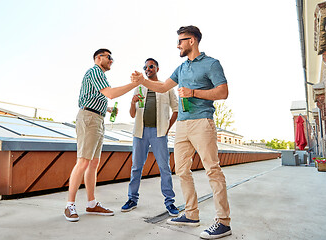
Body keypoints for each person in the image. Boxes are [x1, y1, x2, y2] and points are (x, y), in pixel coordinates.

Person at [131, 26, 232, 239]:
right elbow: (162, 87)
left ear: (192, 41)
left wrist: (193, 92)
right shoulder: (181, 67)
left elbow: (223, 92)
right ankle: (191, 214)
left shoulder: (211, 64)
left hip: (202, 122)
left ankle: (223, 222)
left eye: (181, 40)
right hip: (183, 126)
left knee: (212, 170)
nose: (178, 45)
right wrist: (142, 81)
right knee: (182, 171)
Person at [64, 48, 141, 222]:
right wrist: (135, 84)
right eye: (109, 57)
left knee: (93, 163)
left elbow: (91, 97)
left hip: (97, 119)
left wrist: (107, 108)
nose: (111, 60)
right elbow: (111, 93)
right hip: (89, 119)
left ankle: (91, 204)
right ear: (98, 58)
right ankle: (69, 205)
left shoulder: (99, 76)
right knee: (83, 161)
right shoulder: (95, 71)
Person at [121, 58, 179, 216]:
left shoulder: (166, 88)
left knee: (164, 168)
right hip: (140, 133)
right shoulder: (139, 87)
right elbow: (132, 114)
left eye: (151, 66)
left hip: (159, 133)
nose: (148, 69)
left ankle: (170, 202)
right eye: (145, 67)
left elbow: (176, 109)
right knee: (136, 168)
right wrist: (132, 103)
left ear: (157, 68)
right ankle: (132, 199)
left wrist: (167, 127)